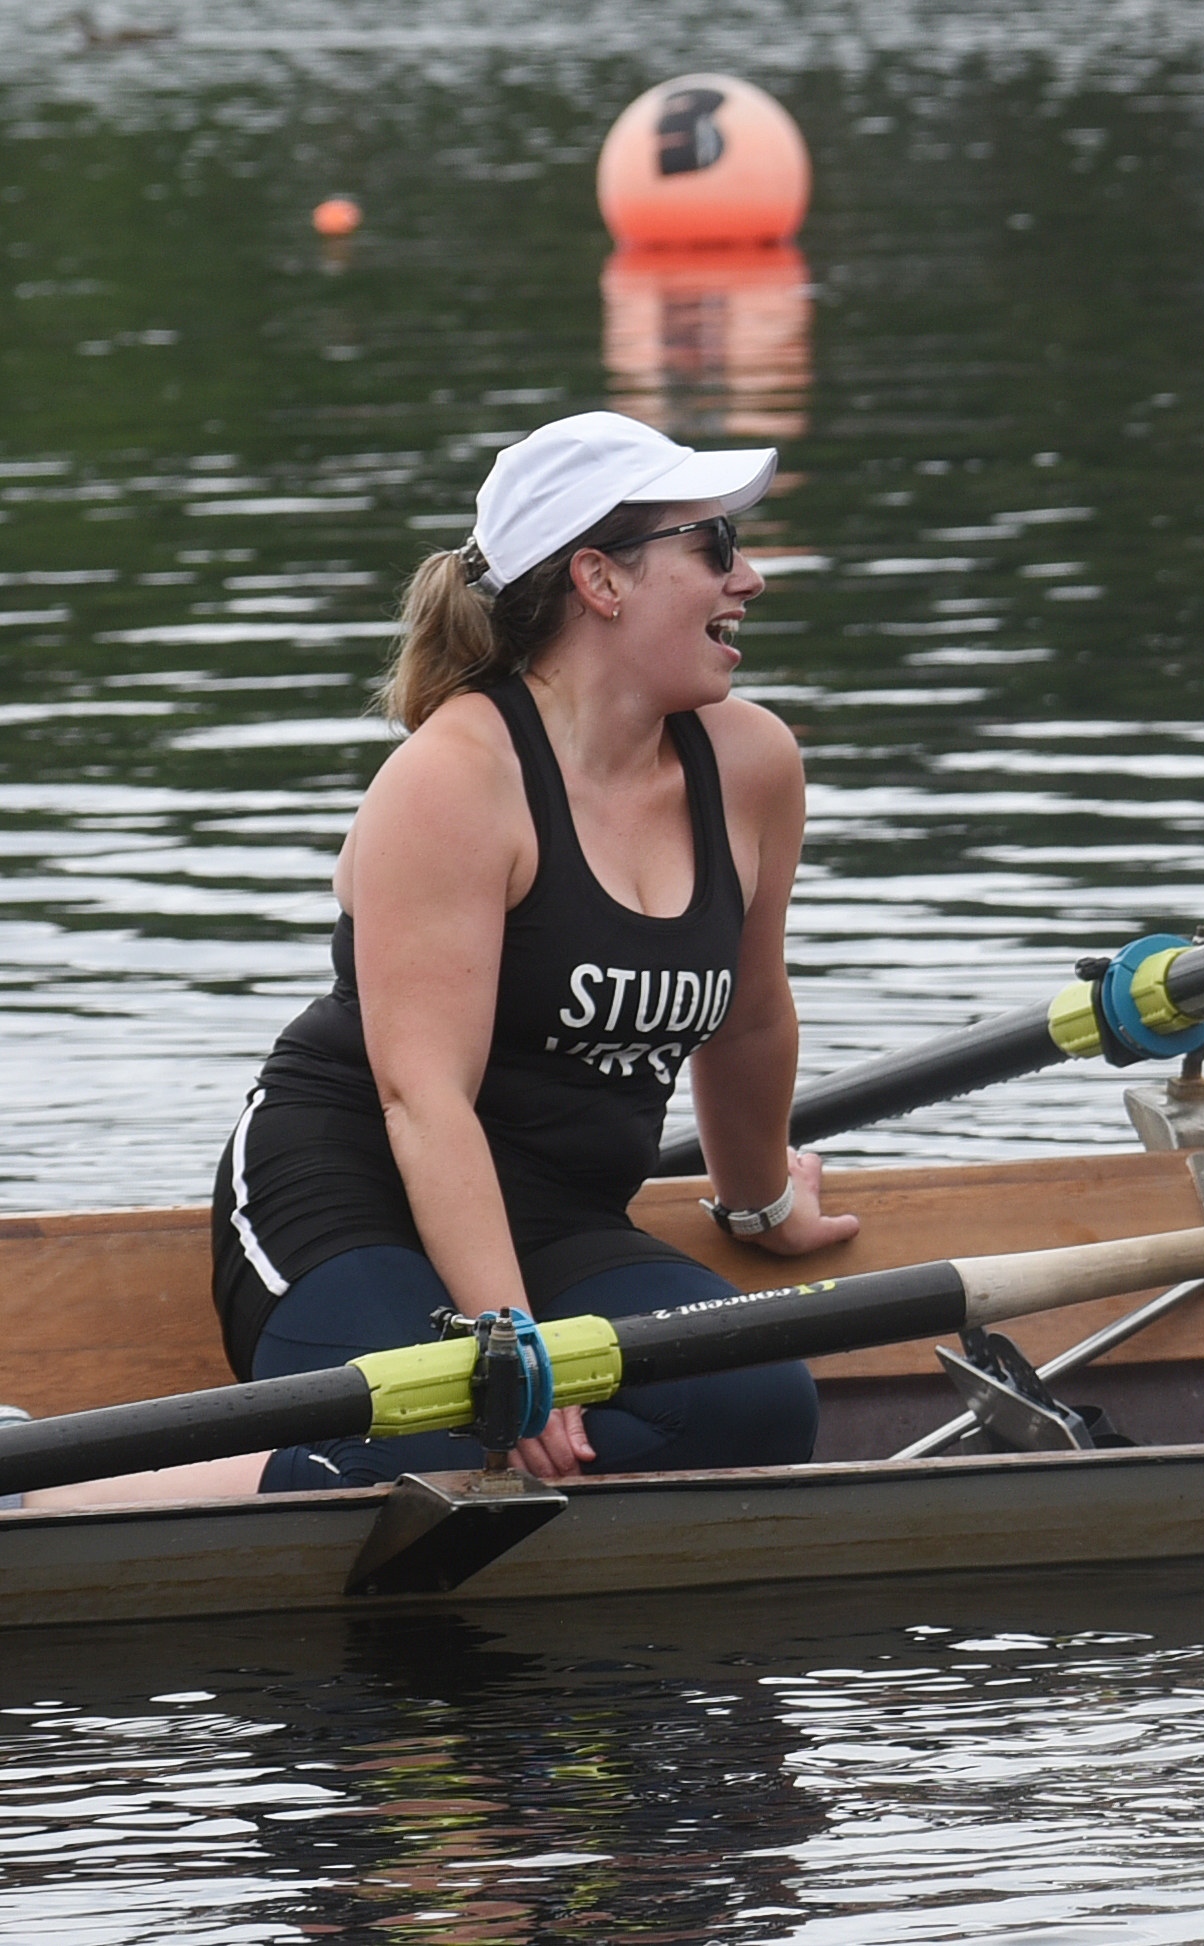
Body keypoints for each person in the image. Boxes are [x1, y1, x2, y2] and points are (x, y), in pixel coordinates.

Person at [29, 411, 857, 1508]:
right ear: (599, 578)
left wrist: (761, 1205)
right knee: (435, 1448)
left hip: (555, 1209)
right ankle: (32, 1493)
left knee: (760, 1403)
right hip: (345, 1186)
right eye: (713, 546)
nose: (746, 577)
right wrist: (510, 1343)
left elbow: (749, 1017)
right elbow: (422, 1094)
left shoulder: (751, 761)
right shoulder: (456, 777)